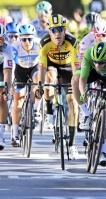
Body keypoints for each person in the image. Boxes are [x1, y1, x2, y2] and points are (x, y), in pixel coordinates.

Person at [37, 14, 80, 160]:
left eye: (60, 29)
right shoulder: (44, 43)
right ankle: (49, 111)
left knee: (73, 102)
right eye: (53, 30)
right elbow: (42, 68)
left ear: (64, 30)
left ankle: (73, 145)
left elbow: (75, 68)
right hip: (52, 66)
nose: (57, 33)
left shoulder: (72, 41)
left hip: (68, 67)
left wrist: (76, 85)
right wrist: (40, 86)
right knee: (50, 77)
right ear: (49, 31)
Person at [72, 19, 106, 130]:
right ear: (94, 33)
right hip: (90, 67)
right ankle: (85, 113)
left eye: (104, 35)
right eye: (98, 35)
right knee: (75, 79)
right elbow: (82, 64)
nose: (101, 37)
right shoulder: (86, 40)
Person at [11, 24, 40, 147]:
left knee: (39, 82)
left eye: (29, 39)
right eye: (24, 39)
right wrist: (12, 82)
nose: (27, 42)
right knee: (18, 99)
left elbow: (44, 62)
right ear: (19, 39)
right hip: (20, 71)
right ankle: (15, 134)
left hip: (34, 68)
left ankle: (36, 109)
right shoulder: (15, 47)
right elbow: (11, 66)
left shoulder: (39, 45)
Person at [0, 22, 13, 150]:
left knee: (1, 96)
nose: (1, 43)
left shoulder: (7, 47)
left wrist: (7, 90)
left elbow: (8, 72)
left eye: (3, 39)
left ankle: (0, 134)